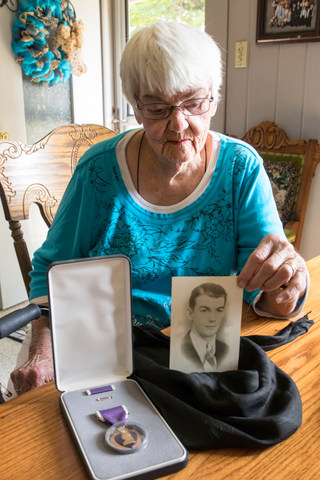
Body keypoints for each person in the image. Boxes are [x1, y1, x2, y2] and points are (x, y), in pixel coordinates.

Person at [9, 20, 308, 396]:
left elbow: (269, 287)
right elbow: (50, 270)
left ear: (214, 97)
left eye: (194, 103)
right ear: (136, 107)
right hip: (103, 342)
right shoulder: (98, 170)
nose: (178, 124)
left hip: (201, 345)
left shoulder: (239, 169)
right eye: (157, 107)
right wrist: (41, 351)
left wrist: (285, 290)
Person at [179, 283, 230, 373]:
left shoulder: (226, 350)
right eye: (204, 310)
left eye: (219, 310)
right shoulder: (179, 349)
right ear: (190, 313)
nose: (212, 319)